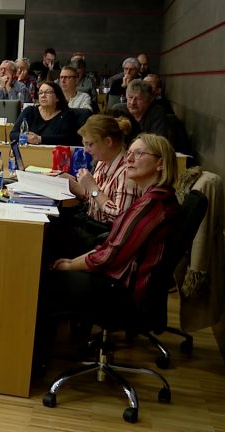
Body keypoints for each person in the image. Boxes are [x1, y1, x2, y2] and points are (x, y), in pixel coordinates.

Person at [38, 134, 181, 341]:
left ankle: (38, 359)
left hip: (124, 293)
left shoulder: (153, 204)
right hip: (122, 282)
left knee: (42, 279)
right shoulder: (156, 197)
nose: (129, 159)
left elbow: (109, 256)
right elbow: (111, 246)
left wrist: (69, 266)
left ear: (160, 163)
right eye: (129, 153)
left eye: (139, 154)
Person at [51, 115, 138, 256]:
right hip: (88, 222)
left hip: (102, 236)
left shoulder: (127, 172)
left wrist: (92, 188)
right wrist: (74, 183)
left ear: (108, 141)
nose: (86, 150)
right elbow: (93, 199)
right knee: (50, 220)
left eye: (90, 144)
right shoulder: (102, 161)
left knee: (51, 232)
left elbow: (119, 219)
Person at [10, 81, 79, 145]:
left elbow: (67, 139)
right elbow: (13, 134)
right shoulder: (29, 111)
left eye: (47, 92)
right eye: (40, 93)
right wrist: (26, 137)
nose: (43, 95)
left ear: (57, 97)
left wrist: (40, 139)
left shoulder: (66, 115)